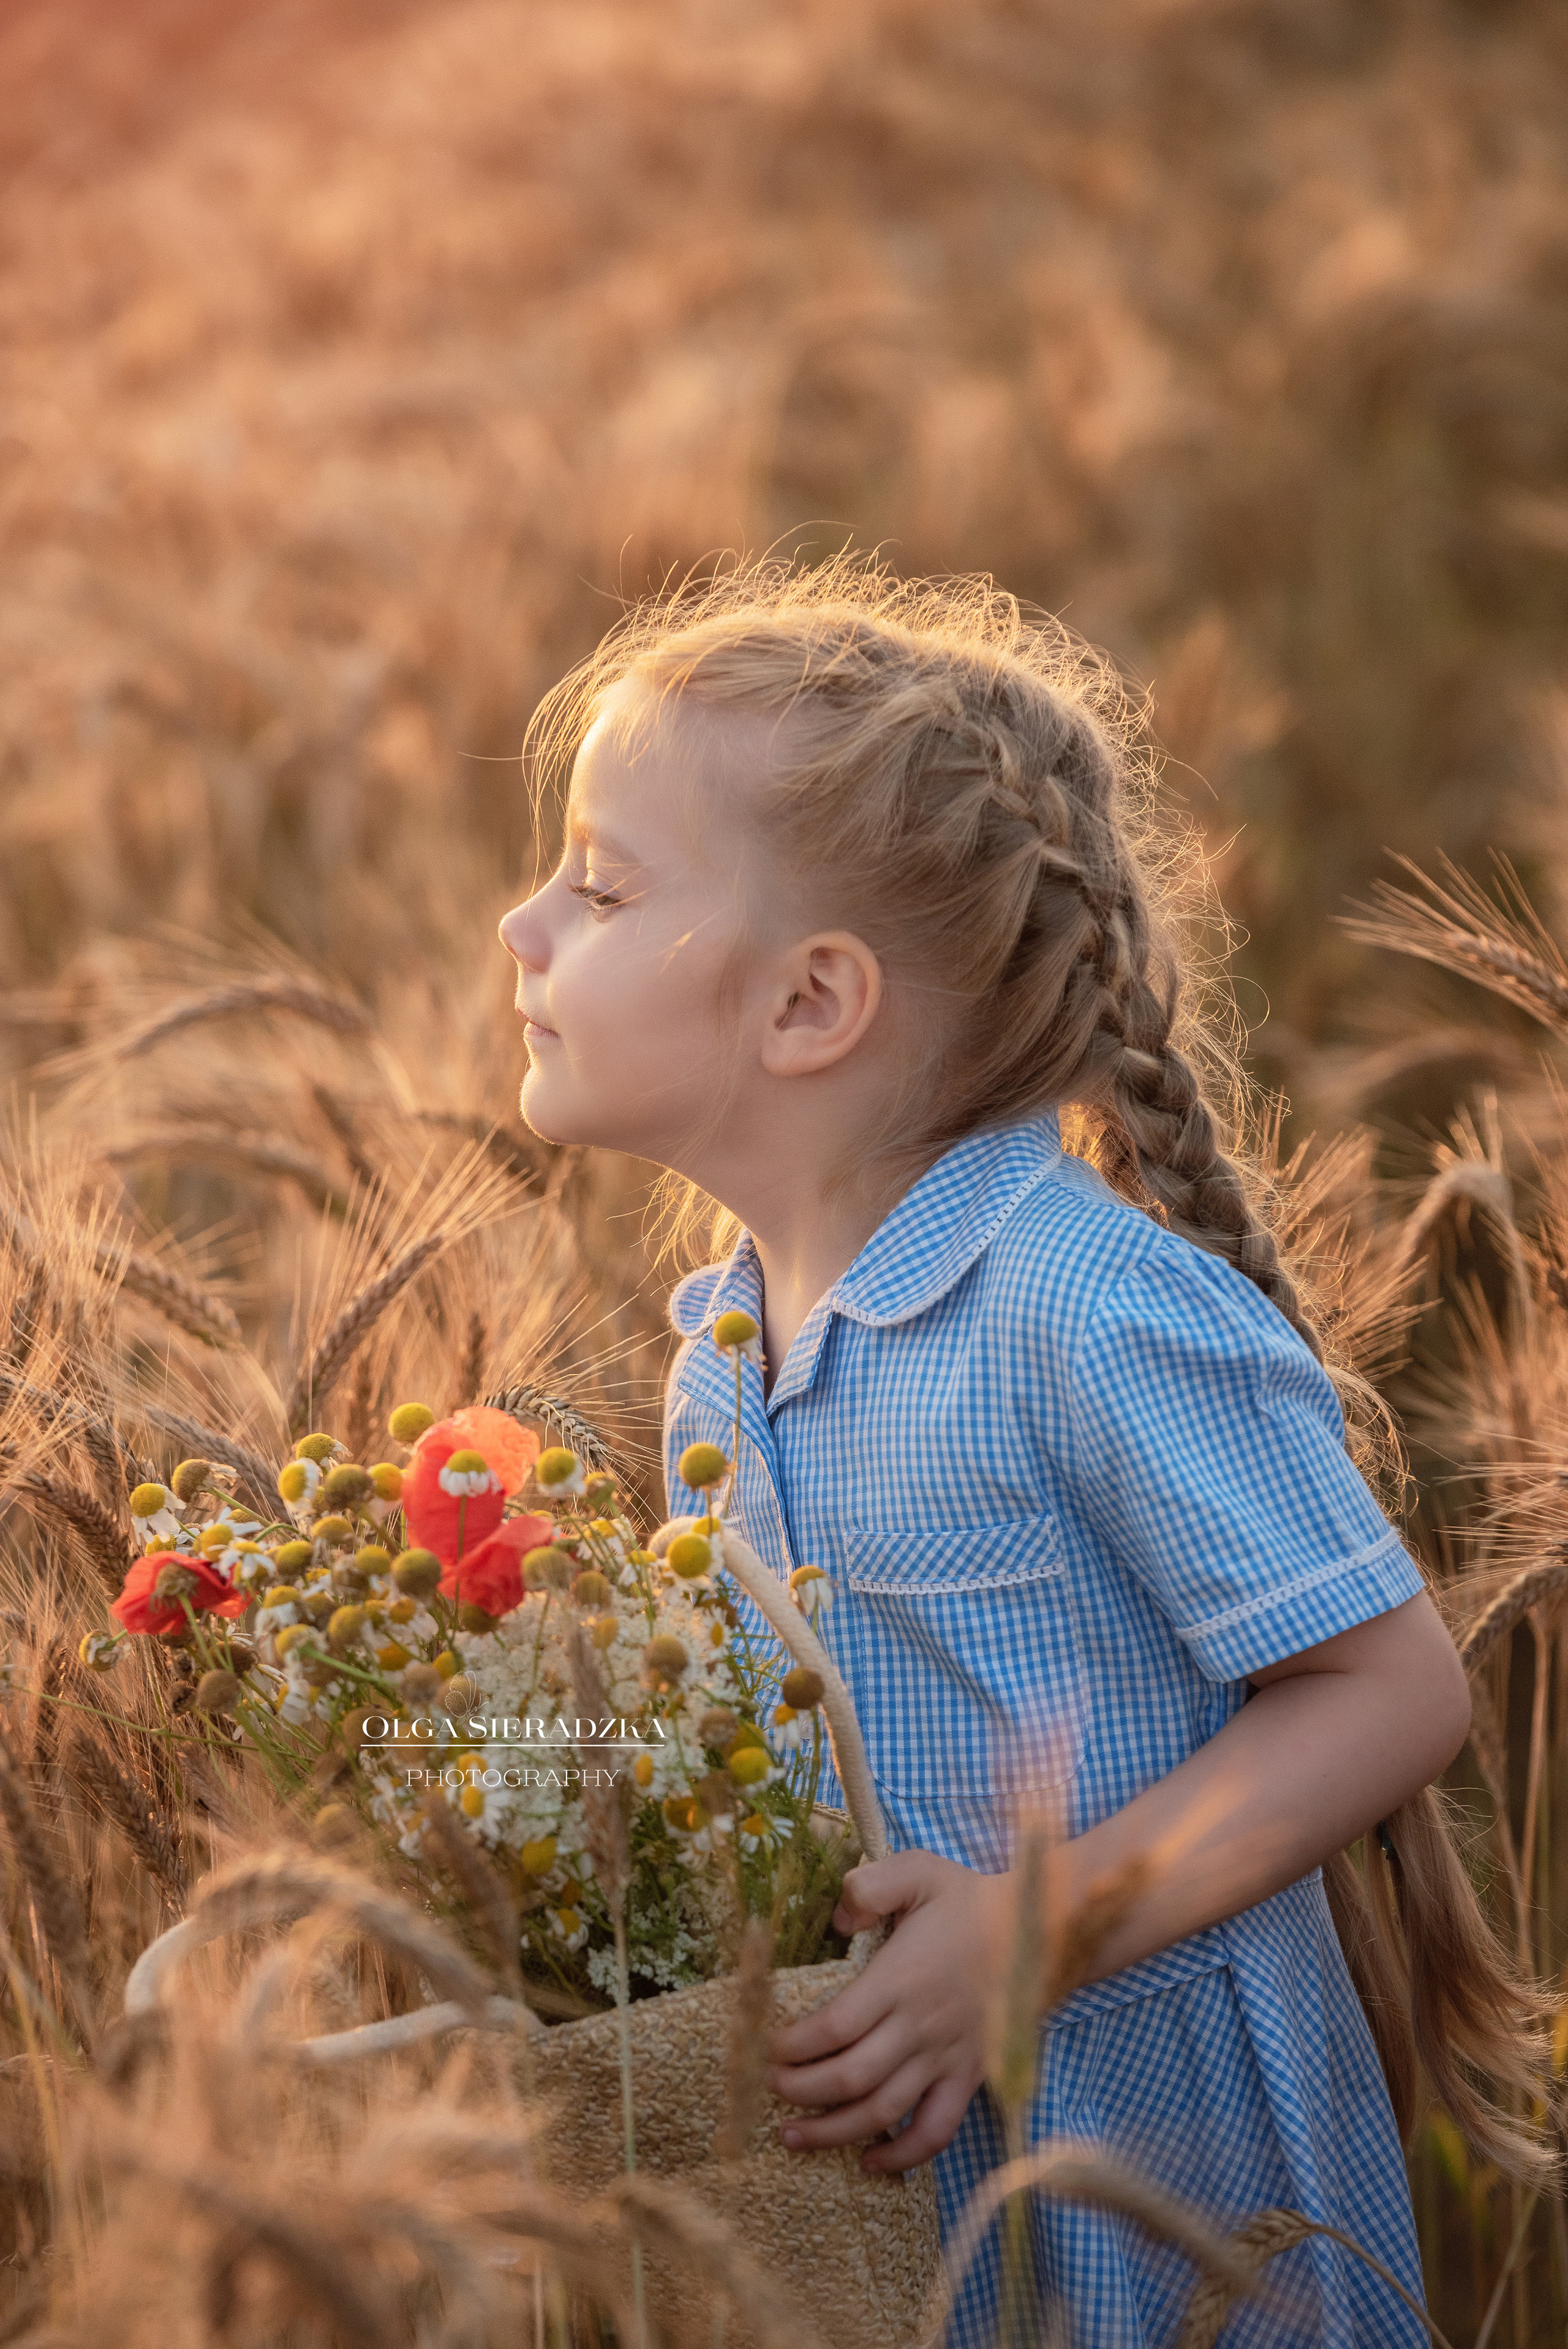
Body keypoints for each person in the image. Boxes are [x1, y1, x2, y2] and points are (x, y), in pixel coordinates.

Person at [498, 558, 1547, 2345]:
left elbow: (1391, 1691)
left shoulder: (1079, 1305)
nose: (526, 925)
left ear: (810, 1005)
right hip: (922, 2221)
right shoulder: (720, 1362)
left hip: (1178, 2206)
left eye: (598, 886)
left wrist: (1030, 1931)